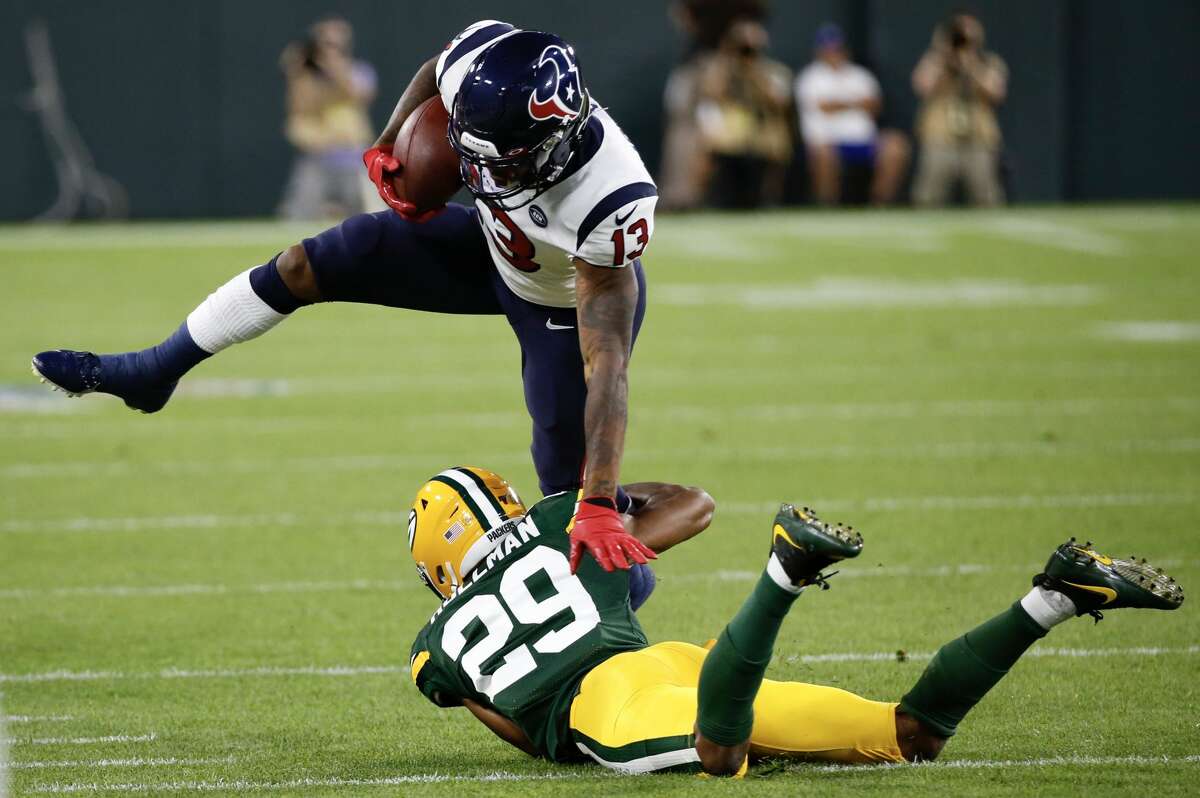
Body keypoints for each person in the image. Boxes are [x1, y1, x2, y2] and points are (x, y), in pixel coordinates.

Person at [31, 20, 660, 573]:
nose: (478, 172)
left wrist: (600, 500)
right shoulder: (484, 63)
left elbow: (607, 362)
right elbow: (434, 73)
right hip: (488, 248)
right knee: (313, 262)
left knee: (570, 513)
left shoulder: (612, 196)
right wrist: (391, 140)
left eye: (500, 161)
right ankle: (153, 372)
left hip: (561, 301)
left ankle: (633, 541)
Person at [406, 465, 1184, 775]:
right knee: (907, 735)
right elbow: (684, 503)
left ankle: (784, 572)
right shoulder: (555, 519)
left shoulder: (433, 649)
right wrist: (601, 507)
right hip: (673, 661)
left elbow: (519, 727)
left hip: (607, 705)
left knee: (721, 753)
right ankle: (1054, 597)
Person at [277, 16, 380, 220]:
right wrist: (296, 74)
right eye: (323, 44)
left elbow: (359, 95)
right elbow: (299, 109)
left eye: (334, 44)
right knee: (298, 217)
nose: (329, 49)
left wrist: (334, 66)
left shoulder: (360, 71)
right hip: (318, 158)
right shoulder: (307, 78)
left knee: (365, 220)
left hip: (353, 157)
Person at [795, 23, 909, 206]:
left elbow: (874, 105)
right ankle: (827, 205)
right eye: (828, 48)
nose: (833, 53)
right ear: (819, 51)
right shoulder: (810, 77)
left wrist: (840, 103)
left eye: (837, 48)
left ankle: (880, 204)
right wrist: (856, 103)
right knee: (823, 153)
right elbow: (825, 107)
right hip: (828, 141)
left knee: (896, 146)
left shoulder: (860, 74)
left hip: (863, 140)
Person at [693, 19, 794, 209]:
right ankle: (708, 199)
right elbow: (711, 93)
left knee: (777, 139)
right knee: (709, 138)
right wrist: (727, 60)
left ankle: (768, 198)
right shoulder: (719, 69)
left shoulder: (772, 71)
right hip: (731, 126)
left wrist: (755, 73)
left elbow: (779, 102)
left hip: (761, 125)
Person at [910, 11, 1008, 207]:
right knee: (928, 198)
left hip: (979, 139)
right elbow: (923, 86)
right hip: (940, 138)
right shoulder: (934, 62)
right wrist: (942, 56)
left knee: (987, 197)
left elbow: (996, 93)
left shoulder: (988, 62)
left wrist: (970, 65)